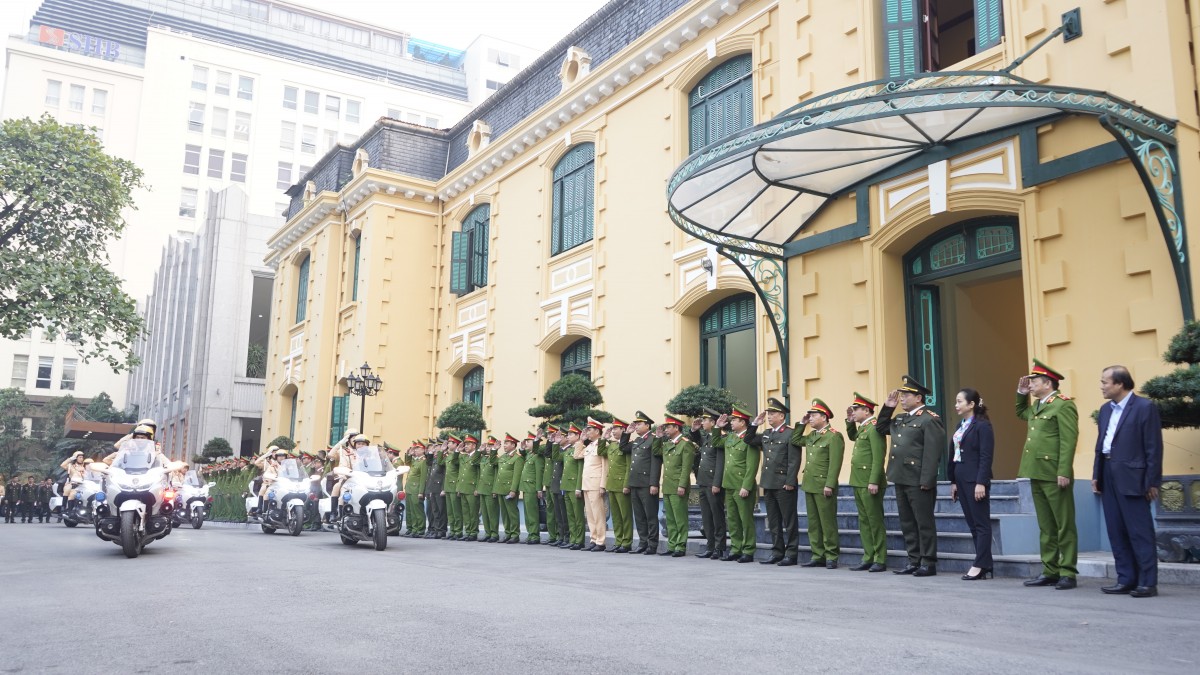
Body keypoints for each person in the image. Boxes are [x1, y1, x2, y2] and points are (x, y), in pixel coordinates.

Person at [1094, 365, 1163, 598]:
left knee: (1139, 531)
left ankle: (1147, 582)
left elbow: (1153, 447)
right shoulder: (1105, 410)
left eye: (1105, 382)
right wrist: (1097, 475)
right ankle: (1126, 578)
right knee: (1116, 529)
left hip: (1134, 477)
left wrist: (1152, 482)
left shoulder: (1144, 407)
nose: (1101, 386)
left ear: (1120, 384)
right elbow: (1100, 445)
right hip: (1108, 472)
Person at [1017, 359, 1080, 590]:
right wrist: (1020, 393)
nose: (1030, 384)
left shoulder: (1063, 405)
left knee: (1064, 524)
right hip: (1036, 472)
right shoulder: (1037, 406)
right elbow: (1020, 412)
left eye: (1034, 381)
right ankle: (1050, 570)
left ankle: (1068, 572)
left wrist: (1064, 470)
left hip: (1054, 473)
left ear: (1048, 383)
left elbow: (1069, 440)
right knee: (1046, 526)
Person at [877, 375, 944, 577]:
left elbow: (932, 454)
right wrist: (888, 407)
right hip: (900, 477)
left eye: (906, 395)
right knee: (907, 521)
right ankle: (913, 560)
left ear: (918, 398)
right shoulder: (900, 418)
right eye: (902, 395)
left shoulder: (929, 419)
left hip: (918, 479)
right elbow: (880, 428)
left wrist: (927, 480)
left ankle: (928, 562)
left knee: (923, 522)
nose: (902, 398)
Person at [749, 398, 802, 566]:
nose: (769, 417)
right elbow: (748, 440)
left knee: (789, 520)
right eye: (768, 414)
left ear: (781, 415)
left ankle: (791, 553)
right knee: (773, 520)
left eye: (772, 414)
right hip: (768, 482)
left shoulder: (790, 433)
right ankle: (777, 551)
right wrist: (754, 424)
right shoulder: (766, 433)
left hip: (784, 483)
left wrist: (790, 481)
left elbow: (794, 460)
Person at [949, 388, 995, 581]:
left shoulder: (982, 426)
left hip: (975, 480)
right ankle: (984, 563)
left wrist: (981, 482)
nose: (956, 405)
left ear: (971, 404)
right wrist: (953, 481)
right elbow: (954, 454)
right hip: (961, 479)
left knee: (981, 523)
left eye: (960, 401)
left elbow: (986, 456)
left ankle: (980, 564)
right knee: (972, 524)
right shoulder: (962, 425)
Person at [794, 398, 845, 569]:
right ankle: (818, 555)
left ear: (824, 417)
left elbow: (835, 463)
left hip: (824, 485)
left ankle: (831, 556)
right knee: (813, 523)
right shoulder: (811, 436)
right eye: (810, 415)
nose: (811, 418)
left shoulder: (834, 436)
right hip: (809, 484)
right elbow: (795, 440)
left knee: (827, 522)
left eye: (814, 415)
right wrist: (801, 423)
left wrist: (830, 484)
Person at [846, 393, 887, 572]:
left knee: (874, 520)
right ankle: (868, 556)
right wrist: (849, 421)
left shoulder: (874, 427)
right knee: (864, 521)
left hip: (869, 482)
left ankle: (880, 558)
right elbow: (853, 437)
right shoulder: (863, 428)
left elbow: (879, 458)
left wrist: (874, 481)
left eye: (856, 409)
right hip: (858, 481)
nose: (853, 412)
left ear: (866, 410)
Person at [714, 406, 760, 563]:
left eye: (734, 420)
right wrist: (717, 428)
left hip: (742, 486)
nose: (731, 422)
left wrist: (746, 486)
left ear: (743, 422)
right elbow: (715, 442)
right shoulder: (730, 437)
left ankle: (748, 550)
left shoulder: (749, 439)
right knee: (732, 519)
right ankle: (736, 548)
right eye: (731, 420)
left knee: (745, 519)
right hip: (729, 484)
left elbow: (752, 465)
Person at [623, 411, 662, 554]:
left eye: (639, 424)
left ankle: (652, 545)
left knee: (650, 516)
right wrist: (627, 433)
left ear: (647, 425)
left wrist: (654, 484)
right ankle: (642, 542)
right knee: (639, 516)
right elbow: (623, 447)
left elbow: (655, 463)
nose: (636, 426)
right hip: (635, 483)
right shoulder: (637, 441)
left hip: (647, 484)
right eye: (635, 424)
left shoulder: (653, 440)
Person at [690, 408, 727, 559]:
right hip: (703, 482)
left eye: (705, 420)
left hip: (713, 483)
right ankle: (710, 546)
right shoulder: (707, 437)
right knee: (706, 517)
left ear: (713, 422)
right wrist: (694, 430)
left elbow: (720, 463)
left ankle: (720, 547)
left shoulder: (721, 438)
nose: (703, 422)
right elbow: (696, 439)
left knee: (717, 517)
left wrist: (717, 483)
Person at [657, 415, 696, 558]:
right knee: (670, 519)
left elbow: (686, 468)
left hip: (678, 486)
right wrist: (658, 437)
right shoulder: (667, 444)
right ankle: (672, 545)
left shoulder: (685, 444)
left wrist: (682, 485)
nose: (666, 429)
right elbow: (656, 452)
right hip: (667, 485)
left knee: (680, 518)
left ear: (676, 428)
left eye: (668, 427)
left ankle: (681, 545)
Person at [601, 419, 632, 552]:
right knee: (616, 516)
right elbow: (601, 451)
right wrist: (604, 438)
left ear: (624, 430)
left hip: (621, 485)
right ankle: (618, 540)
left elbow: (628, 467)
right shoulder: (612, 445)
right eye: (612, 428)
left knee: (625, 515)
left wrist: (626, 484)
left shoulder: (627, 446)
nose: (613, 430)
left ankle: (626, 542)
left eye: (616, 428)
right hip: (612, 484)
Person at [579, 418, 610, 552]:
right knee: (590, 514)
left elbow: (605, 466)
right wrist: (581, 441)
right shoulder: (590, 446)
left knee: (598, 514)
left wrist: (603, 485)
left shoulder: (603, 445)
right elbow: (577, 455)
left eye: (589, 429)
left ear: (597, 431)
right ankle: (593, 538)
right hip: (586, 483)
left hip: (596, 483)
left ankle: (601, 541)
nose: (587, 432)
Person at [542, 425, 569, 547]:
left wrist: (555, 443)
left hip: (563, 485)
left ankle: (566, 537)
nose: (558, 437)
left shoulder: (567, 451)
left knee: (564, 514)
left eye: (560, 436)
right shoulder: (559, 450)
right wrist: (552, 442)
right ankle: (562, 536)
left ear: (567, 437)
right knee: (558, 514)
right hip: (555, 485)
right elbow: (549, 454)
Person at [496, 433, 524, 543]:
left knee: (512, 513)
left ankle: (515, 534)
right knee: (504, 513)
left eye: (507, 443)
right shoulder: (503, 457)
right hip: (500, 489)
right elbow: (493, 461)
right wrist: (494, 450)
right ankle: (507, 533)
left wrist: (513, 490)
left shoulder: (518, 458)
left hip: (509, 490)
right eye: (504, 443)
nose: (504, 445)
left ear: (513, 445)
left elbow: (517, 476)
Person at [561, 424, 586, 550]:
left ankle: (580, 540)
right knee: (570, 515)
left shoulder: (580, 449)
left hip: (574, 486)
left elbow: (580, 470)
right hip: (566, 486)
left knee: (578, 515)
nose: (568, 436)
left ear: (578, 436)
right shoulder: (568, 450)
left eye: (571, 434)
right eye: (568, 434)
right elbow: (555, 456)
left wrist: (578, 487)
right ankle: (573, 538)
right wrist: (555, 443)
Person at [518, 432, 543, 544]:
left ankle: (535, 535)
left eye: (529, 441)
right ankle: (530, 533)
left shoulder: (537, 456)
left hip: (532, 487)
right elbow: (522, 454)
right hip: (526, 487)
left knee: (532, 513)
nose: (526, 443)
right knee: (527, 514)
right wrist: (522, 448)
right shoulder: (529, 455)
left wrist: (539, 489)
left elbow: (539, 473)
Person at [457, 434, 482, 542]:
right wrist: (458, 450)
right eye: (465, 444)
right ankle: (468, 531)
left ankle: (473, 532)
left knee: (473, 512)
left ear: (474, 445)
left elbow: (479, 474)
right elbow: (455, 462)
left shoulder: (477, 457)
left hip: (472, 489)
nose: (466, 446)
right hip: (463, 488)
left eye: (468, 444)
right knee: (466, 512)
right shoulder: (463, 456)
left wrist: (477, 488)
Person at [477, 436, 500, 543]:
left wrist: (495, 489)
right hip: (482, 489)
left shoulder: (496, 459)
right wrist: (479, 451)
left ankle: (494, 533)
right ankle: (487, 533)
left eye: (491, 446)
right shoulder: (483, 459)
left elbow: (496, 475)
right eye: (487, 445)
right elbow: (475, 465)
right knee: (485, 513)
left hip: (491, 489)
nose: (488, 448)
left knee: (492, 513)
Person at [404, 442, 428, 537]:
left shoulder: (423, 461)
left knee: (417, 511)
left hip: (416, 489)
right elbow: (407, 462)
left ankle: (420, 529)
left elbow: (423, 478)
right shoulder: (415, 460)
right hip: (410, 488)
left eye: (418, 448)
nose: (416, 450)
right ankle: (413, 529)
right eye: (415, 448)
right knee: (410, 511)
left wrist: (421, 492)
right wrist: (409, 454)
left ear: (423, 450)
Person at [442, 434, 464, 540]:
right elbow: (440, 463)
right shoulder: (448, 455)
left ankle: (458, 531)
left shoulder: (459, 456)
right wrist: (441, 451)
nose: (448, 444)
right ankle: (452, 530)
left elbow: (457, 467)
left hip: (455, 485)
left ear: (456, 444)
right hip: (448, 486)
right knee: (450, 511)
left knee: (456, 511)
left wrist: (457, 452)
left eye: (450, 443)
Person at [425, 441, 447, 538]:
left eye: (438, 446)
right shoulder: (435, 458)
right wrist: (430, 452)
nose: (436, 447)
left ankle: (441, 530)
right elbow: (428, 463)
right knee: (435, 511)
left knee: (441, 510)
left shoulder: (443, 458)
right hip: (433, 488)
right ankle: (436, 529)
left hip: (439, 487)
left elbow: (445, 475)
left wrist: (443, 488)